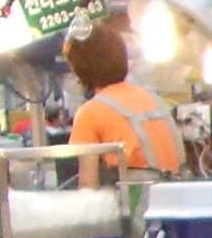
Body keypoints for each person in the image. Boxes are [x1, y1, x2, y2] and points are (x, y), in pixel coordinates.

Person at [65, 25, 180, 172]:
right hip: (177, 184)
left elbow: (88, 182)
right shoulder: (151, 97)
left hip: (134, 186)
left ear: (80, 67)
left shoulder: (90, 113)